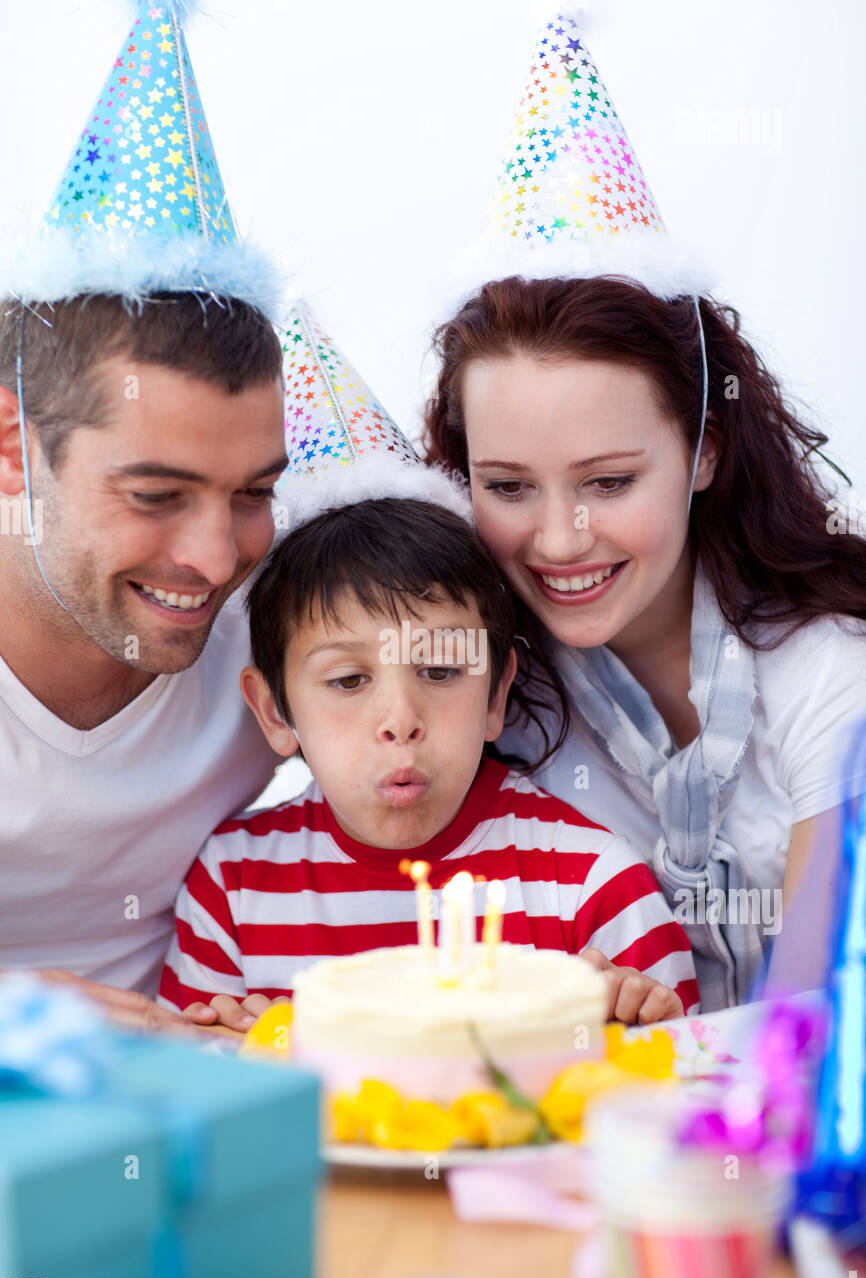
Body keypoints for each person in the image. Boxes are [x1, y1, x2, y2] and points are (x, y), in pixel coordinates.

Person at [419, 11, 866, 1009]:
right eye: (507, 486)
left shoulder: (826, 675)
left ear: (702, 449)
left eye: (608, 482)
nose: (558, 539)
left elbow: (812, 1020)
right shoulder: (483, 700)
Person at [0, 2, 288, 1029]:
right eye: (156, 496)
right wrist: (51, 1016)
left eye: (254, 491)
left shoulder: (288, 626)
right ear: (12, 445)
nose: (216, 560)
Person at [157, 496, 699, 1027]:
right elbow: (187, 1092)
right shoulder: (231, 885)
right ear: (276, 712)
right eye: (348, 680)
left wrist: (638, 1030)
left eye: (440, 671)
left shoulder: (593, 886)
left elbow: (686, 1085)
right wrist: (247, 1059)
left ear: (494, 697)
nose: (400, 719)